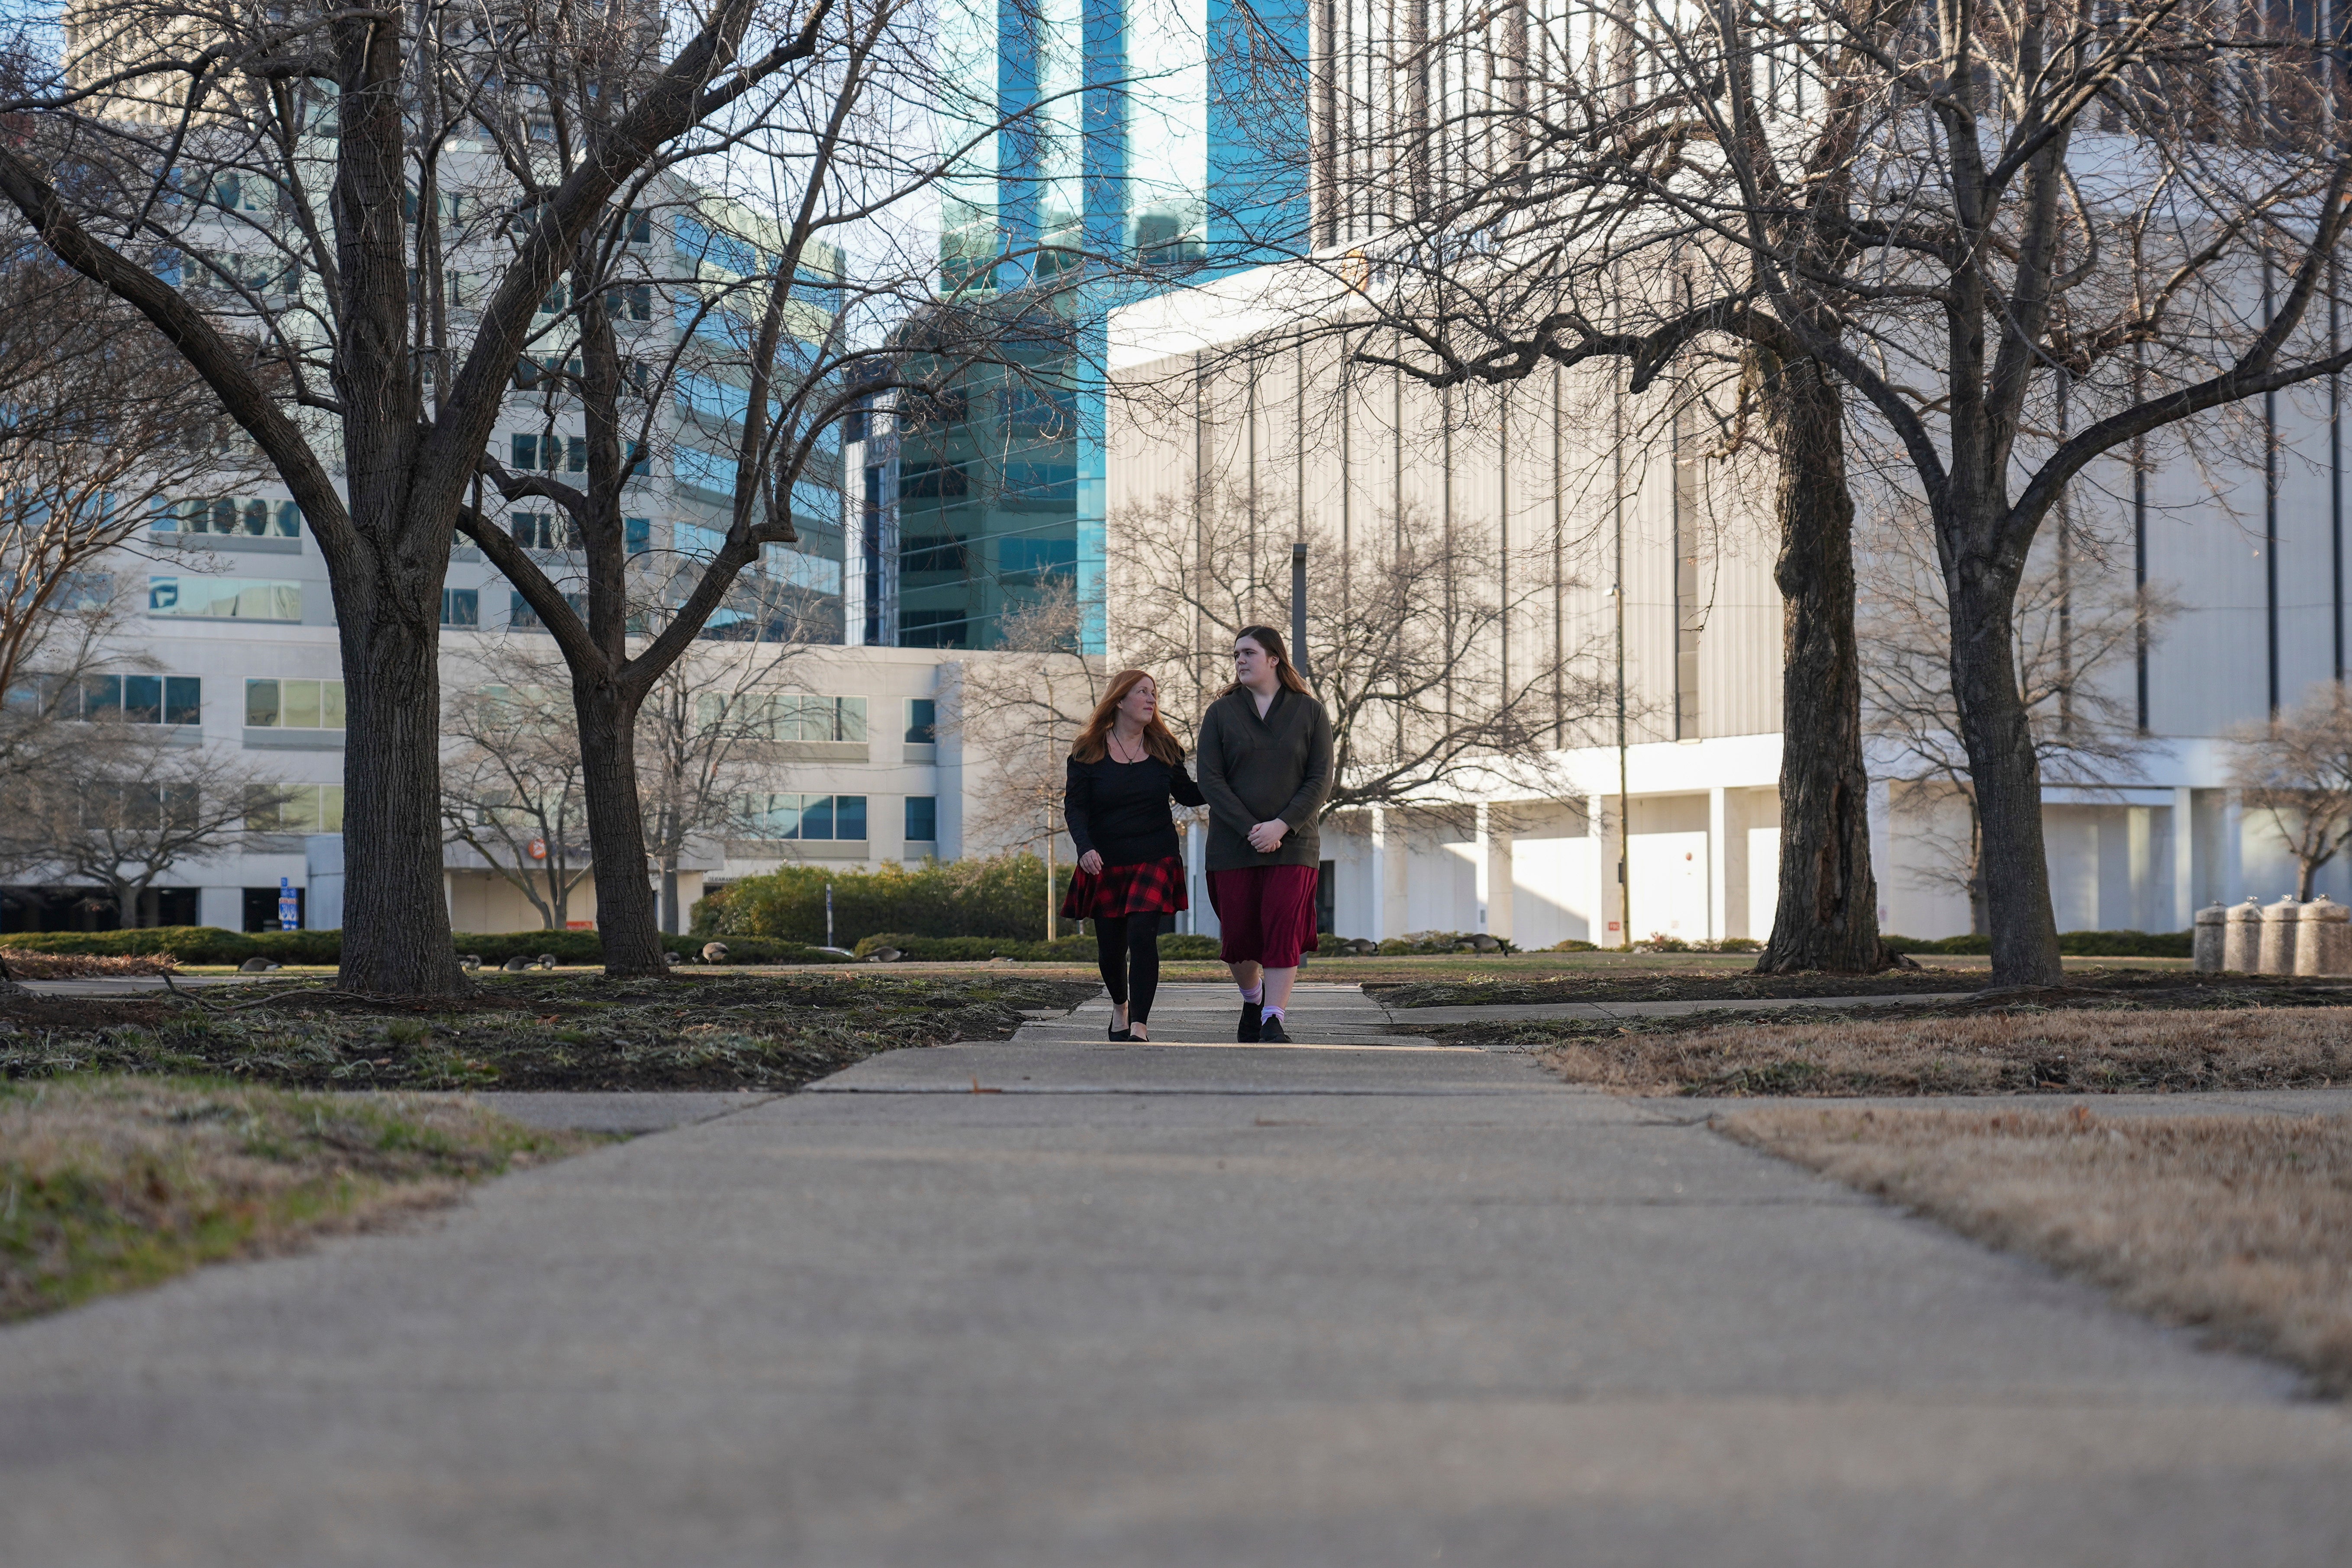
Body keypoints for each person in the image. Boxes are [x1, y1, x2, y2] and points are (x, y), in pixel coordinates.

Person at [1195, 625, 1334, 1043]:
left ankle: (1274, 1017)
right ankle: (1252, 997)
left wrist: (1281, 825)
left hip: (1294, 844)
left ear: (1274, 658)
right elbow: (1210, 779)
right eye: (1236, 654)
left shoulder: (1309, 712)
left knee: (1281, 927)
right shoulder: (1220, 713)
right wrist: (1251, 828)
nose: (1239, 660)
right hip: (1233, 844)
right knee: (1239, 937)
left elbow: (1319, 779)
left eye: (1248, 653)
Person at [1061, 669, 1206, 1041]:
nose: (1151, 699)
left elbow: (1189, 794)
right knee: (1111, 951)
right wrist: (1085, 848)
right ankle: (1120, 1008)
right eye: (1142, 692)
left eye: (1153, 693)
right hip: (1105, 860)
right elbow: (1075, 808)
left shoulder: (1165, 749)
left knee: (1143, 936)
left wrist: (1229, 780)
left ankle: (1139, 1025)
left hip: (1154, 855)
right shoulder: (1087, 751)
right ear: (1120, 700)